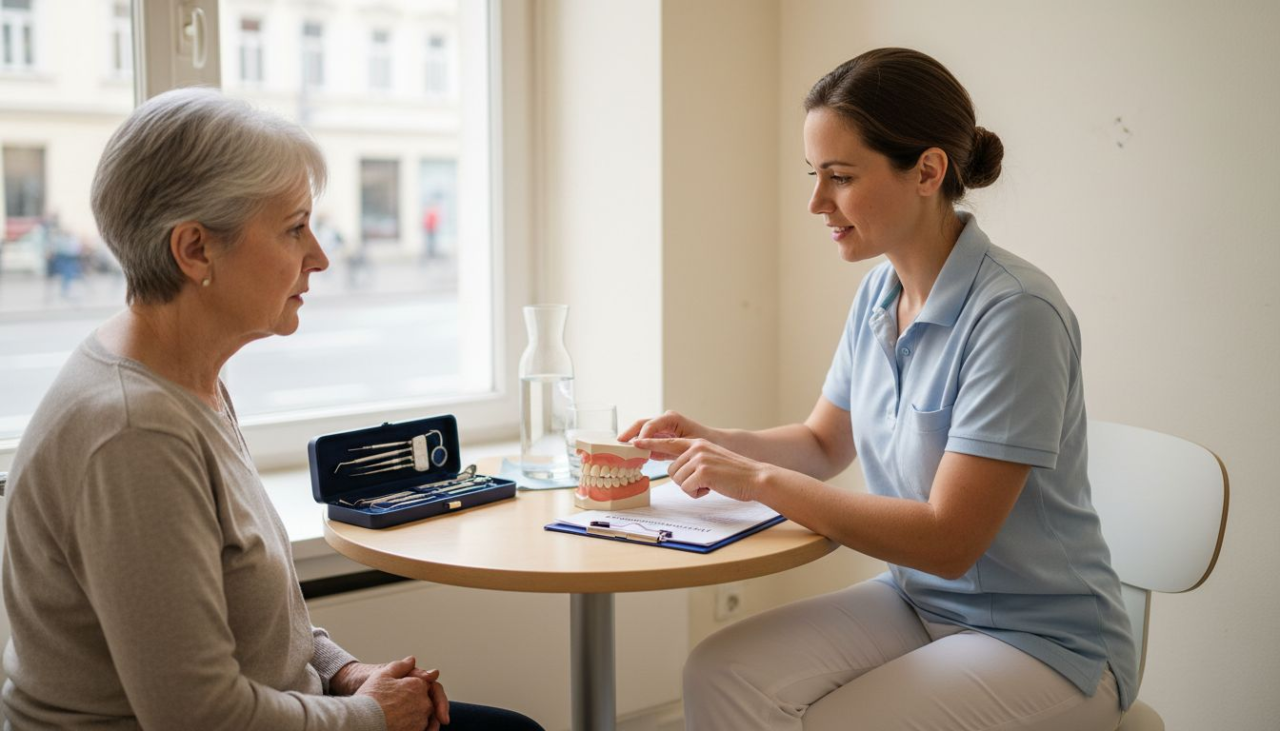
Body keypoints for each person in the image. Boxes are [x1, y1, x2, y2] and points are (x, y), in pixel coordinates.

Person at [621, 48, 1138, 730]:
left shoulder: (1017, 314)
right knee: (721, 671)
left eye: (839, 176)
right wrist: (707, 440)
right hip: (923, 601)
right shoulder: (879, 293)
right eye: (813, 174)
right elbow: (819, 442)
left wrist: (754, 479)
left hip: (1044, 640)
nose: (815, 202)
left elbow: (950, 539)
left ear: (927, 170)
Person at [0, 87, 542, 731]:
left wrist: (344, 671)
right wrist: (370, 716)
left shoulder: (189, 378)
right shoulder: (134, 432)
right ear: (195, 250)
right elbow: (198, 716)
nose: (319, 256)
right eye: (293, 229)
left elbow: (257, 626)